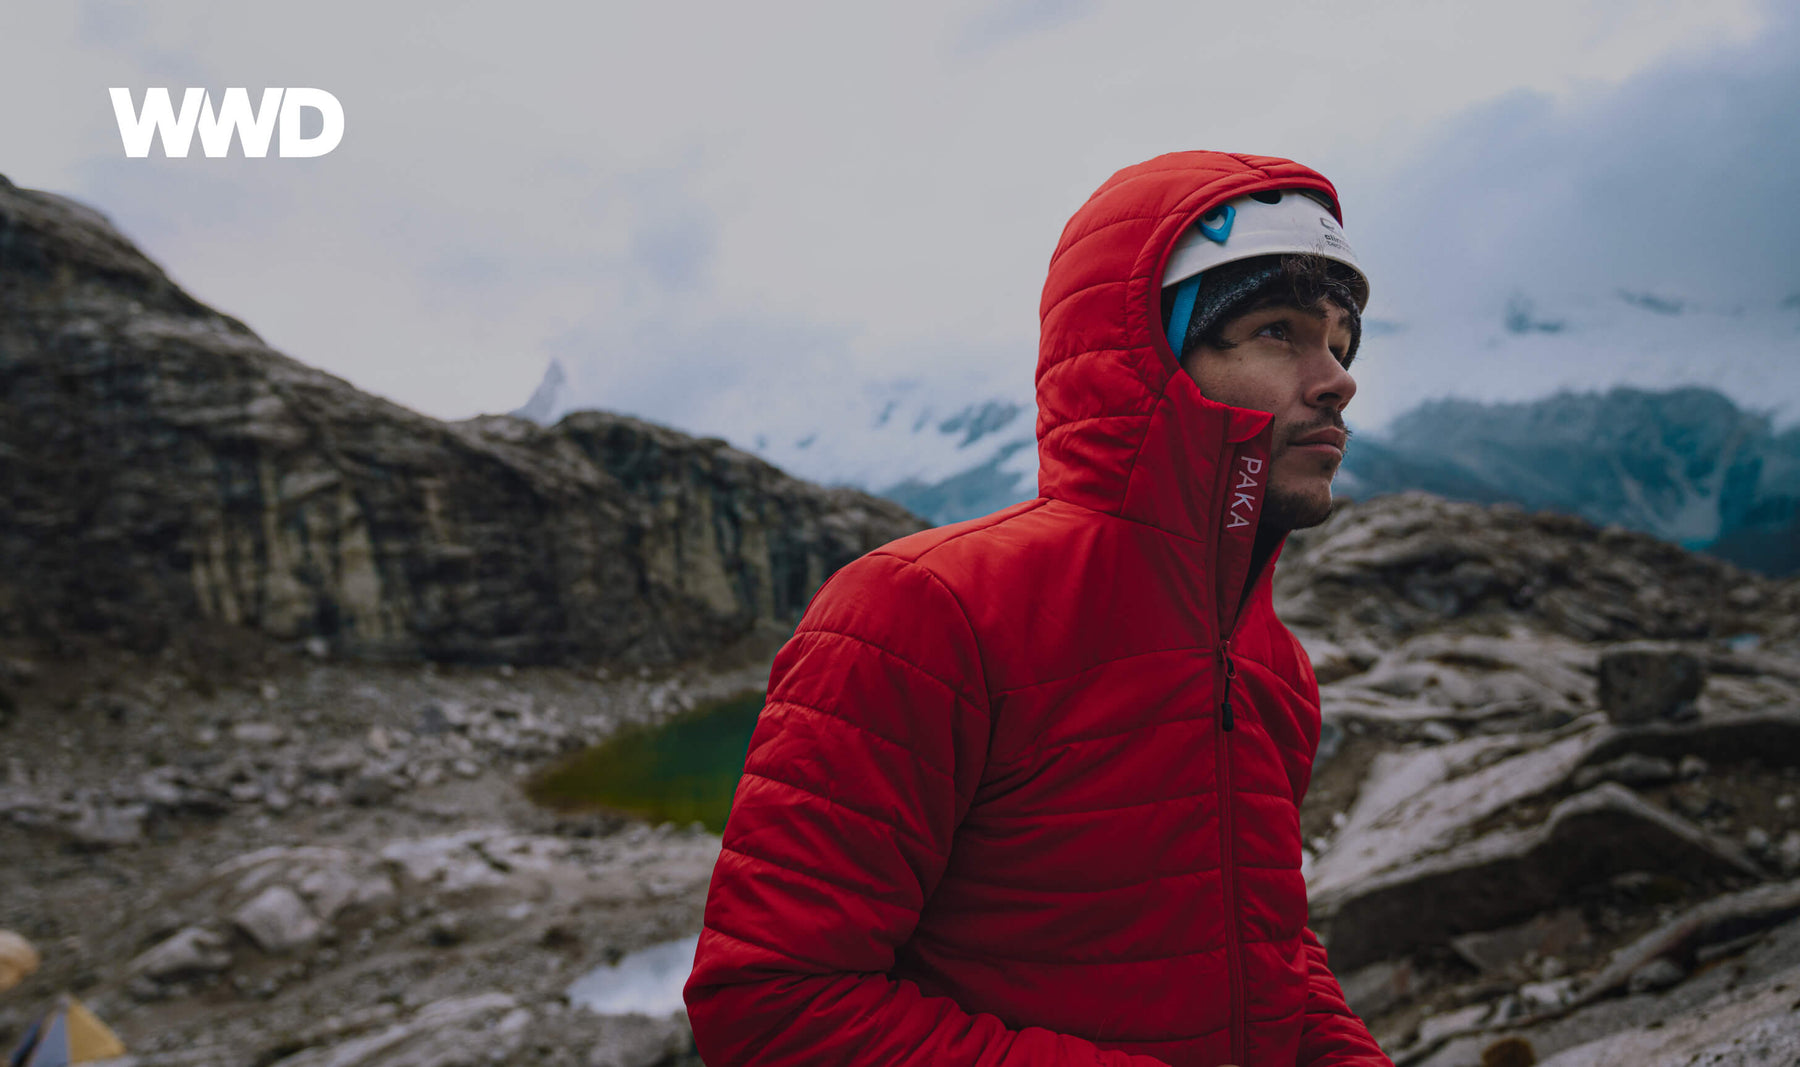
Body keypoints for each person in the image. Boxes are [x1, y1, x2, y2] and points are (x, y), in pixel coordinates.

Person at [683, 150, 1392, 1067]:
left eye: (1340, 339)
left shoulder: (1271, 662)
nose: (1336, 377)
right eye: (1276, 332)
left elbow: (1264, 947)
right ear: (1154, 362)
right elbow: (773, 1003)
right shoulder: (922, 612)